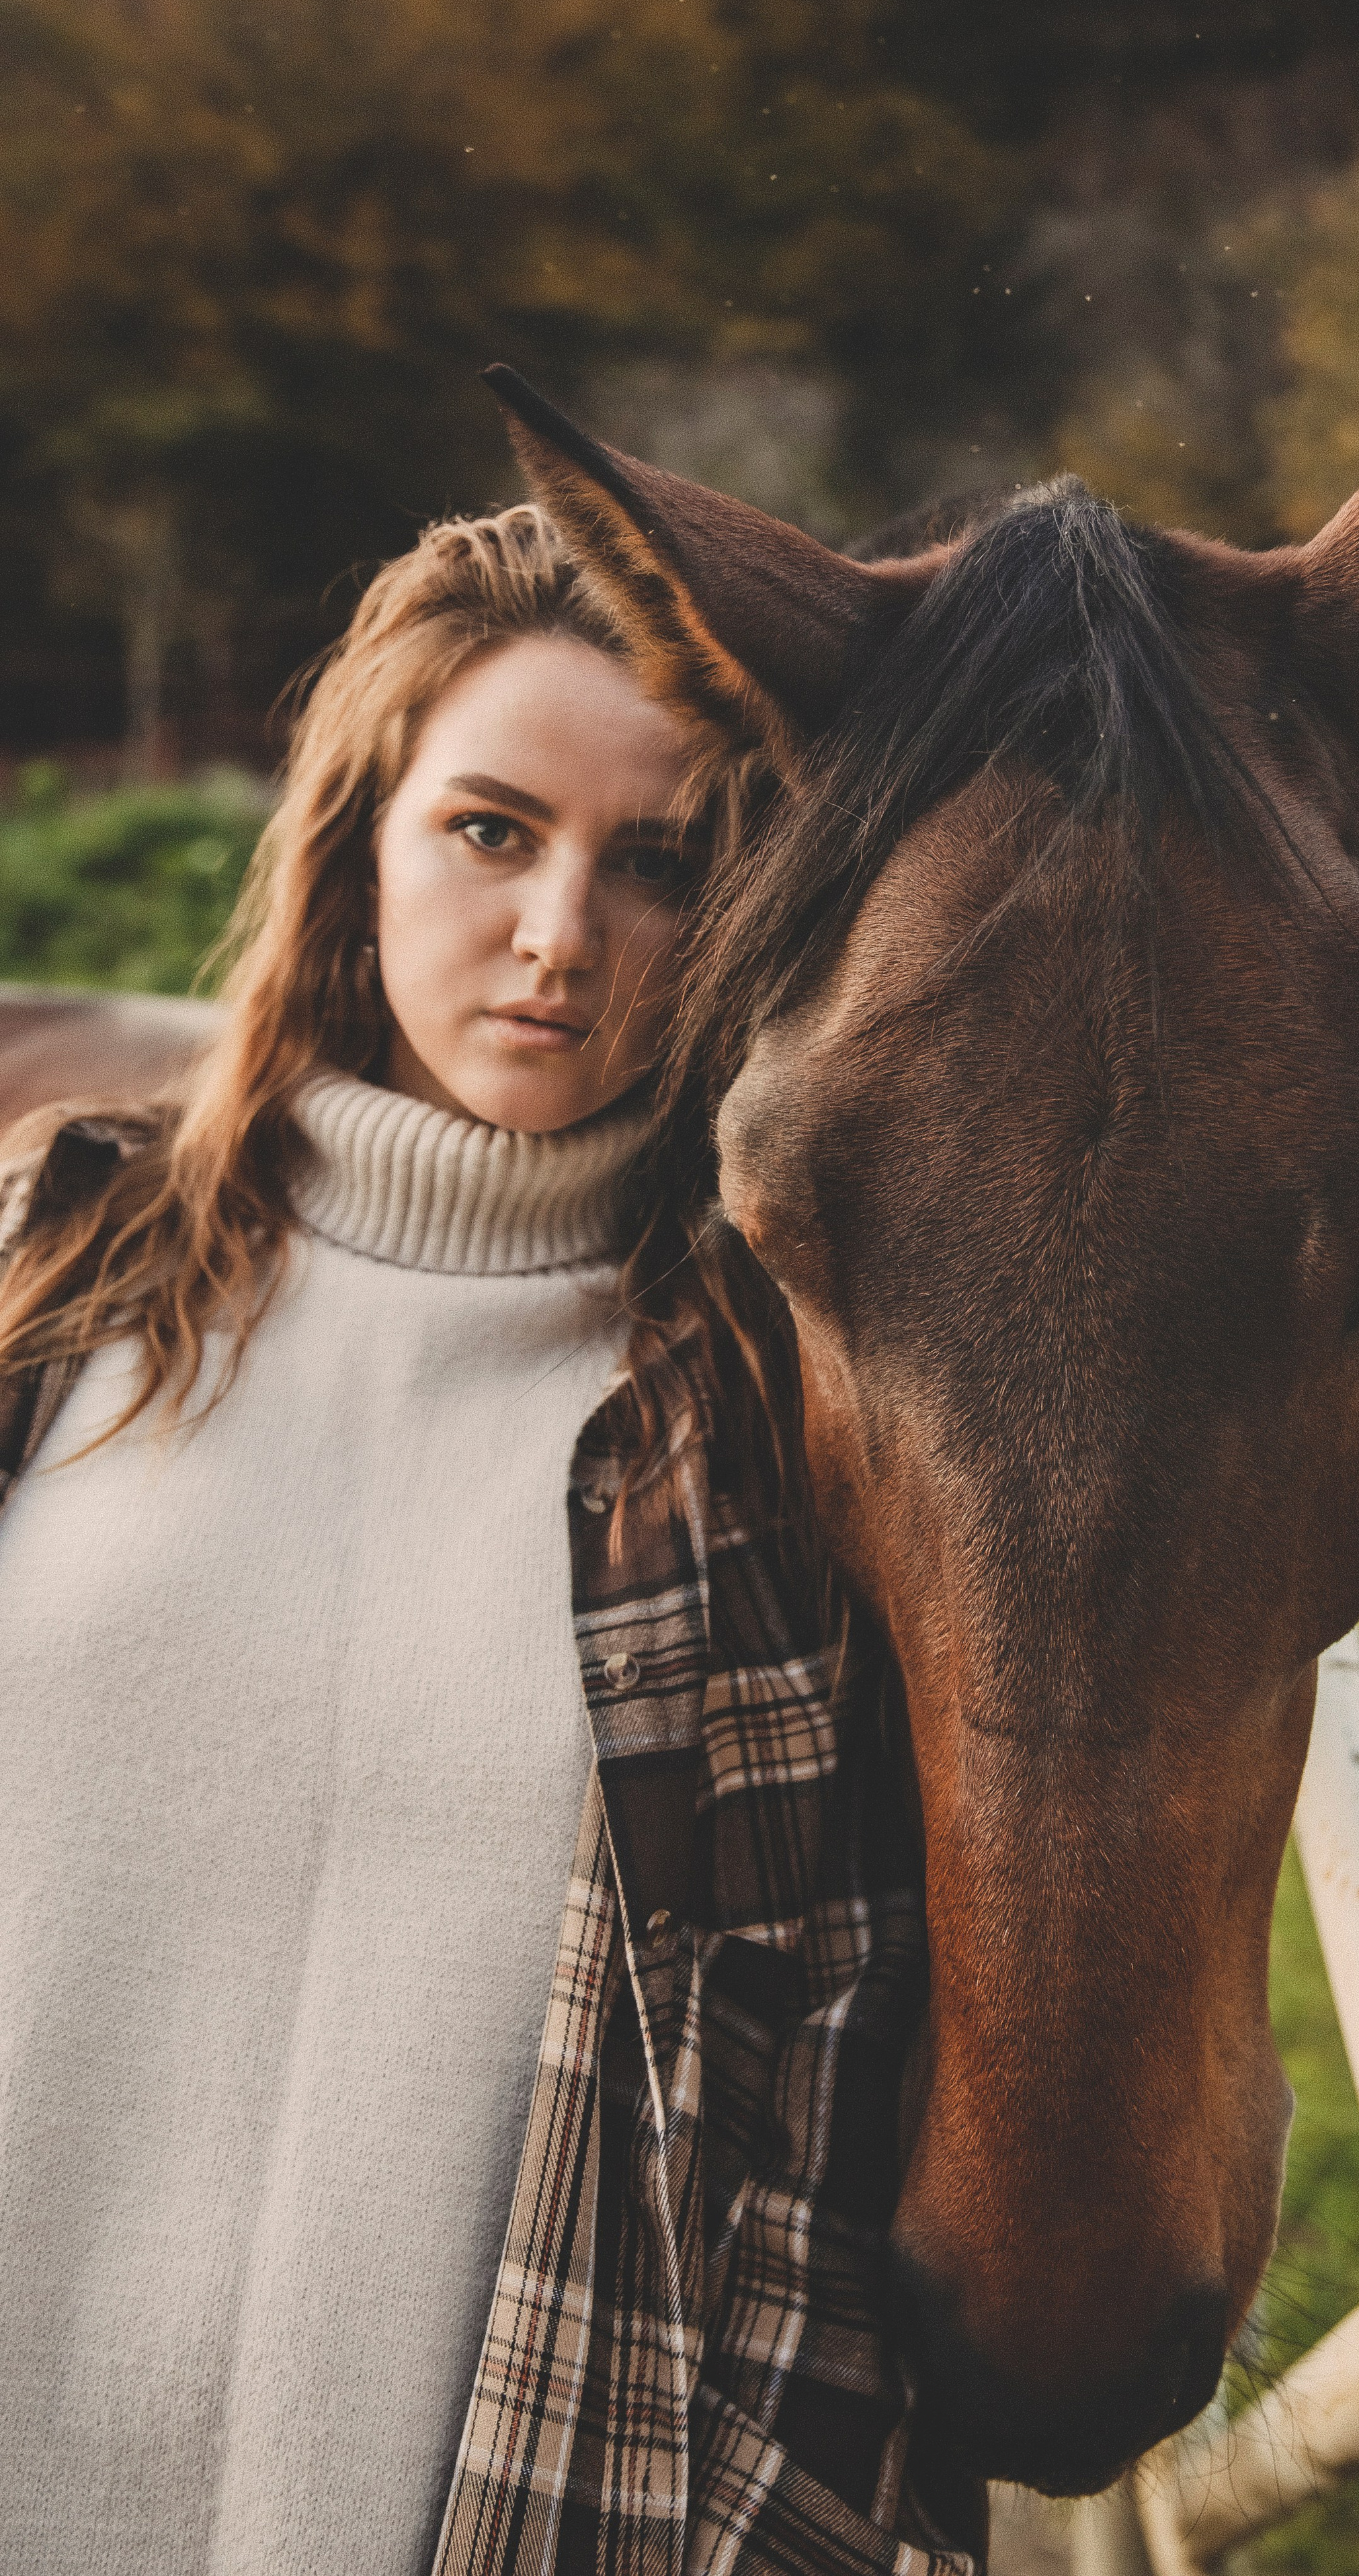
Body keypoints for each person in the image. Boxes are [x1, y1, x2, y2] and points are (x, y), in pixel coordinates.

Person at [0, 509, 967, 2576]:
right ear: (361, 832)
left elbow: (813, 2150)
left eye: (663, 859)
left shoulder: (758, 1431)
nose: (560, 934)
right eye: (491, 830)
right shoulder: (60, 1269)